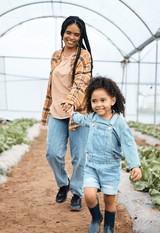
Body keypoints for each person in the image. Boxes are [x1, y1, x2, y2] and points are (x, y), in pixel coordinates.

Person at [66, 76, 142, 233]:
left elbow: (128, 143)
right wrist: (72, 113)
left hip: (110, 168)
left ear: (112, 100)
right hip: (92, 165)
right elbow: (81, 119)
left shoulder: (119, 122)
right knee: (89, 195)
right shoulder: (92, 118)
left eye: (103, 100)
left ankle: (109, 227)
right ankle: (96, 218)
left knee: (109, 199)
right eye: (94, 101)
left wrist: (134, 165)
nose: (98, 104)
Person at [41, 16, 93, 211]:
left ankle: (77, 192)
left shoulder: (84, 56)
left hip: (77, 113)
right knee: (53, 153)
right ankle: (64, 184)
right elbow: (53, 83)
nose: (71, 37)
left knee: (79, 157)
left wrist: (70, 101)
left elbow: (82, 81)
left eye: (76, 34)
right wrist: (56, 104)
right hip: (56, 111)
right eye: (68, 32)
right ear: (62, 32)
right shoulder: (55, 55)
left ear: (81, 37)